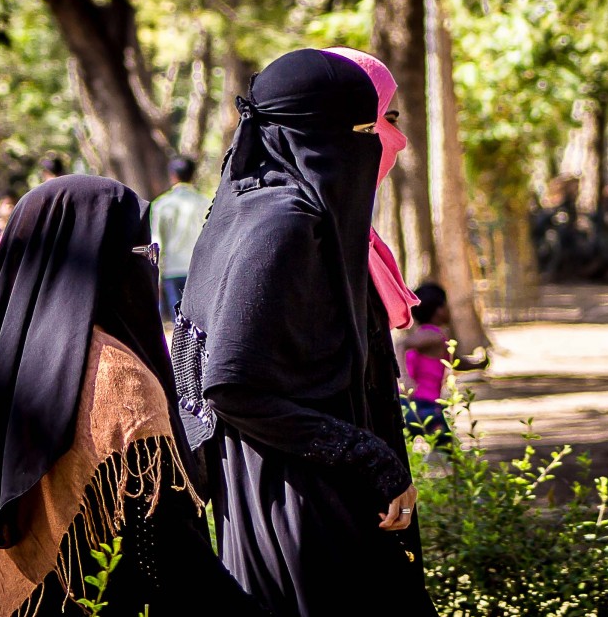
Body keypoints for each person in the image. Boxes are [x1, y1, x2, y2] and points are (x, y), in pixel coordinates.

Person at [0, 176, 263, 616]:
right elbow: (166, 547)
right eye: (142, 253)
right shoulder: (117, 379)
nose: (148, 267)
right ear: (102, 260)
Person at [172, 48, 437, 616]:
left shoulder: (256, 210)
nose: (380, 147)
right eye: (367, 129)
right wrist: (370, 458)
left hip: (304, 485)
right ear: (317, 133)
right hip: (299, 502)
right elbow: (228, 385)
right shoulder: (284, 224)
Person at [400, 283, 489, 451]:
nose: (449, 310)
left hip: (409, 407)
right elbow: (401, 344)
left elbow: (453, 361)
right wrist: (404, 377)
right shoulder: (432, 335)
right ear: (439, 310)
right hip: (423, 408)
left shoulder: (431, 336)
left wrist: (478, 363)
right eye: (446, 305)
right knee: (454, 460)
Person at [151, 156, 211, 317]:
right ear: (193, 175)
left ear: (173, 175)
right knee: (199, 321)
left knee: (179, 321)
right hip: (199, 269)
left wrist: (154, 274)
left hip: (172, 270)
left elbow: (157, 243)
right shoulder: (205, 203)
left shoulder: (161, 205)